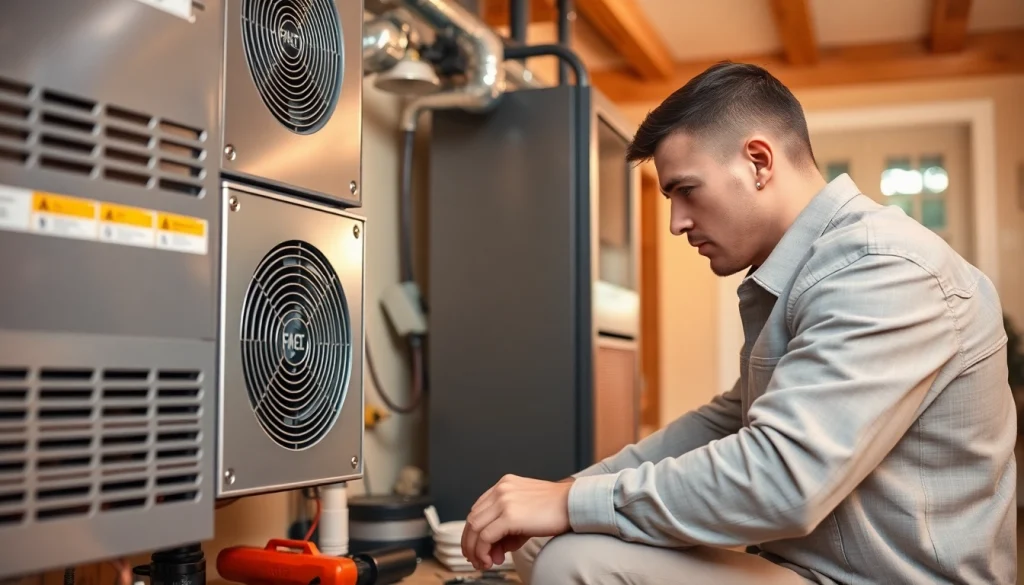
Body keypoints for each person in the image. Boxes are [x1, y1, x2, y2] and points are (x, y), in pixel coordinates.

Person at [458, 61, 1017, 584]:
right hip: (810, 569)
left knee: (575, 562)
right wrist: (567, 492)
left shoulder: (881, 270)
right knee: (541, 539)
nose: (676, 223)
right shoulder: (804, 270)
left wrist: (569, 504)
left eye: (685, 190)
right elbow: (726, 422)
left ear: (758, 162)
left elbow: (783, 481)